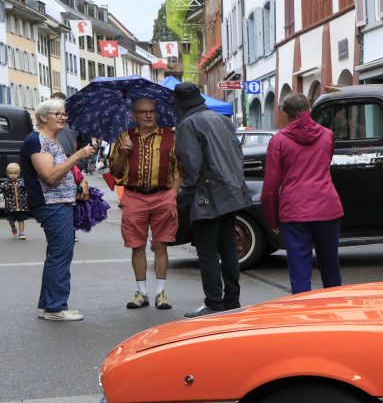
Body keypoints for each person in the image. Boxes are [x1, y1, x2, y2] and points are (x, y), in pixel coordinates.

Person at [173, 82, 250, 317]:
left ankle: (214, 303)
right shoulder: (223, 120)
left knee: (207, 251)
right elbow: (238, 157)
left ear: (181, 105)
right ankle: (232, 300)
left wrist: (185, 197)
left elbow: (191, 165)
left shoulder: (189, 124)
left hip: (207, 195)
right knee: (228, 249)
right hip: (231, 192)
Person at [20, 98, 97, 321]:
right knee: (60, 255)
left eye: (64, 114)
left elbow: (62, 171)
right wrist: (78, 155)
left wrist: (79, 182)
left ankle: (47, 305)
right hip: (52, 204)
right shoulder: (37, 141)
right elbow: (50, 176)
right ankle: (55, 308)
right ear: (44, 117)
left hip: (60, 202)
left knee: (57, 254)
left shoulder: (50, 140)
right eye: (58, 114)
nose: (63, 118)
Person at [261, 92, 343, 294]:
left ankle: (302, 309)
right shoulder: (327, 135)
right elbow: (326, 162)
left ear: (286, 114)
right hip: (326, 206)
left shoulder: (279, 140)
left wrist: (272, 219)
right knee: (330, 265)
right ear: (309, 109)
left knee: (299, 270)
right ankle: (335, 306)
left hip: (294, 210)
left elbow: (271, 186)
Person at [108, 96, 180, 311]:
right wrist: (123, 153)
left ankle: (161, 292)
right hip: (134, 196)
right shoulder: (125, 137)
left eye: (152, 111)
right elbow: (115, 172)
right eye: (143, 112)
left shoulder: (170, 136)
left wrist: (172, 194)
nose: (149, 115)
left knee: (160, 244)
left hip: (163, 195)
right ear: (134, 115)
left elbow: (181, 169)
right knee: (136, 245)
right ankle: (141, 292)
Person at [2, 162, 29, 239]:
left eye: (15, 173)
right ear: (7, 173)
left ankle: (21, 232)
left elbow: (29, 188)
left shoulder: (22, 183)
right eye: (10, 173)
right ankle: (13, 227)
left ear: (19, 173)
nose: (13, 175)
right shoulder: (5, 184)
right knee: (11, 220)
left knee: (21, 219)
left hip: (22, 206)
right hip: (10, 207)